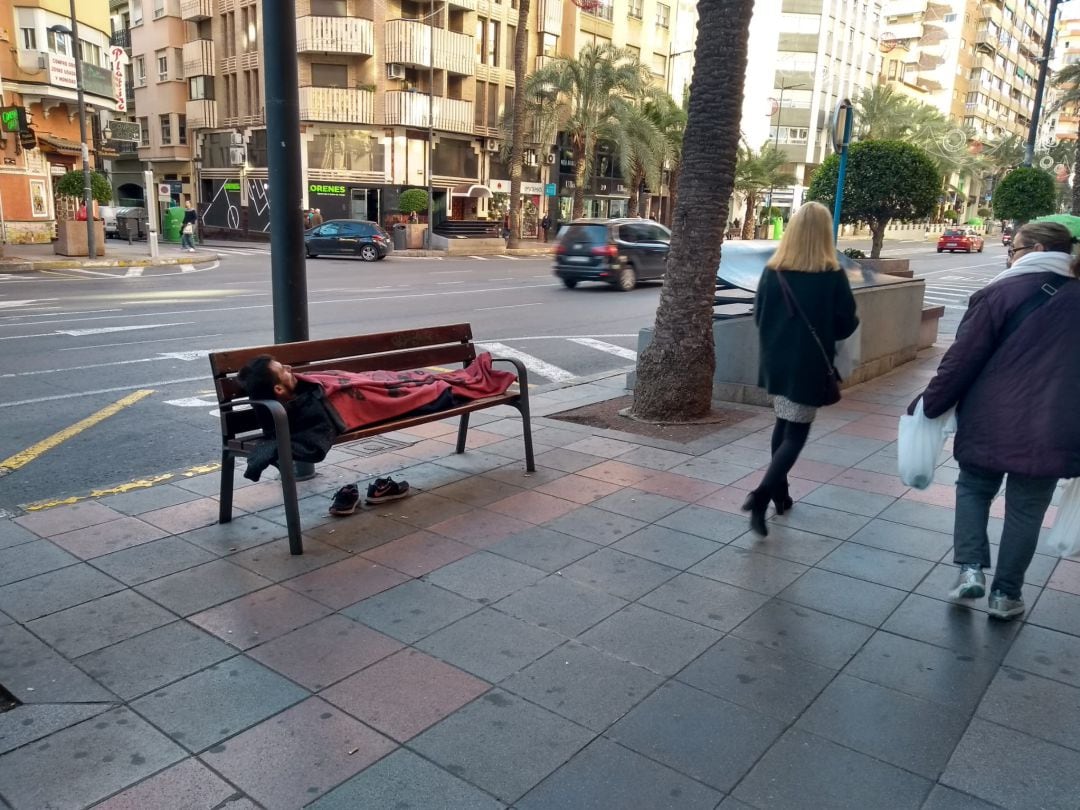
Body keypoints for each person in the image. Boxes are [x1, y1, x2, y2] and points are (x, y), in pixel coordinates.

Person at [911, 221, 1080, 620]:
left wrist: (930, 405)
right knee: (1027, 509)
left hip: (991, 416)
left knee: (973, 489)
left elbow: (960, 360)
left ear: (1035, 248)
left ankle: (970, 570)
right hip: (1054, 426)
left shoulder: (999, 292)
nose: (1010, 254)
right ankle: (1006, 595)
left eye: (1014, 248)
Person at [236, 353, 518, 513]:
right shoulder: (306, 407)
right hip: (392, 399)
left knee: (427, 380)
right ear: (279, 390)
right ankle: (440, 384)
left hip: (385, 385)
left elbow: (348, 379)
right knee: (438, 387)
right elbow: (314, 444)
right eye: (282, 370)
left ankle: (437, 382)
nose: (289, 367)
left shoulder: (301, 389)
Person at [743, 201, 858, 536]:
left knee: (783, 422)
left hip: (775, 361)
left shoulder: (773, 271)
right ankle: (762, 495)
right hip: (808, 365)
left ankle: (781, 493)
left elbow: (758, 316)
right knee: (796, 434)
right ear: (824, 235)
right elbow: (846, 323)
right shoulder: (832, 276)